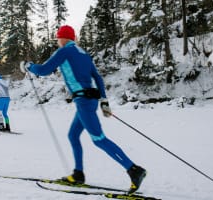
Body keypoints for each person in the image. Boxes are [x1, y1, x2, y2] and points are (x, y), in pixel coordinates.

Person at [21, 25, 147, 194]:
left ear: (64, 38)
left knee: (99, 139)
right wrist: (104, 101)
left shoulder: (64, 51)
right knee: (73, 135)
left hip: (83, 102)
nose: (57, 42)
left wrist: (28, 66)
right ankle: (78, 174)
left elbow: (44, 70)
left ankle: (133, 169)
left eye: (58, 39)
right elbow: (97, 77)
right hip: (90, 100)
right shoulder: (84, 54)